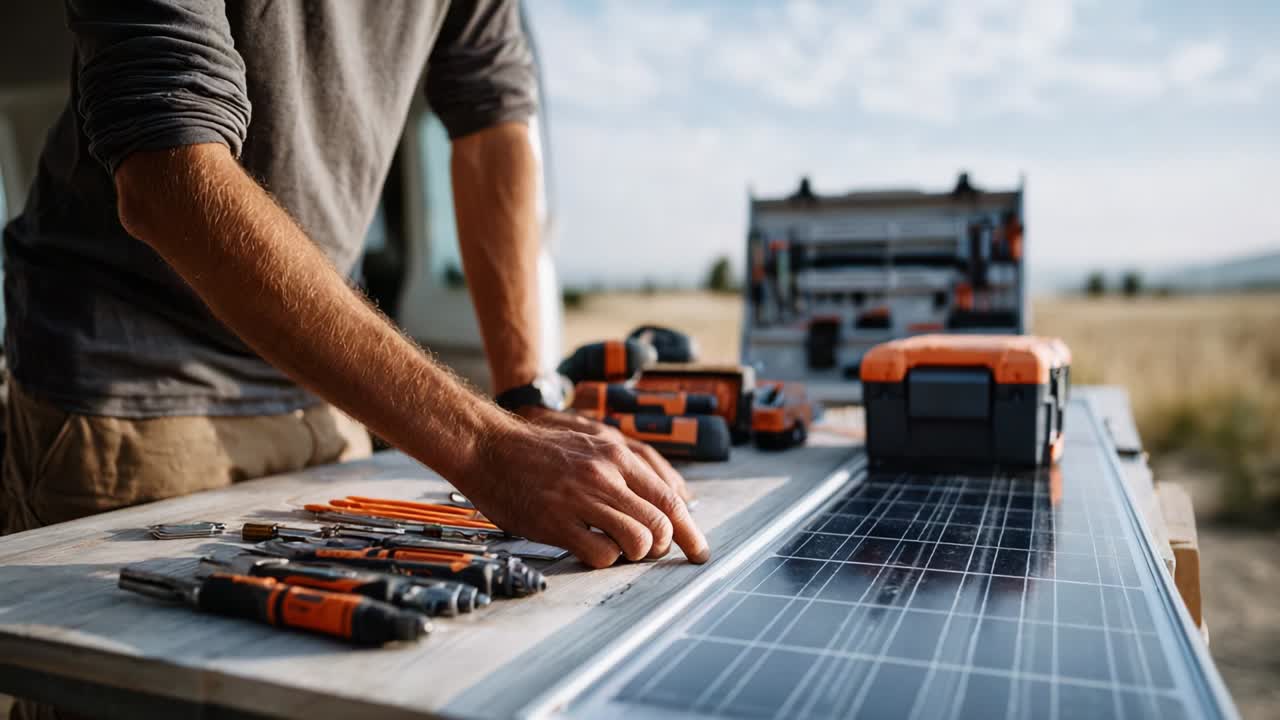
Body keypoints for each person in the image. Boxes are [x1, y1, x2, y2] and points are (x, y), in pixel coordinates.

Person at [1, 0, 709, 574]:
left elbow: (492, 115)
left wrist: (524, 399)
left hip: (329, 392)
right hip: (138, 397)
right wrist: (487, 448)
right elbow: (167, 172)